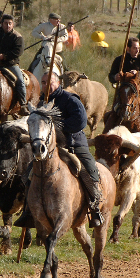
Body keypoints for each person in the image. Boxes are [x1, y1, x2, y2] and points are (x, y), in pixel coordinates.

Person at [41, 71, 105, 227]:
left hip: (73, 143)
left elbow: (81, 120)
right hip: (49, 147)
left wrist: (57, 127)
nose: (46, 86)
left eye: (49, 82)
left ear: (57, 83)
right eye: (43, 83)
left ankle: (94, 206)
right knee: (29, 172)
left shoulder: (69, 99)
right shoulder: (41, 102)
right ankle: (29, 210)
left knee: (88, 169)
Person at [0, 15, 29, 116]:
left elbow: (18, 52)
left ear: (13, 24)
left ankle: (23, 104)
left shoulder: (17, 36)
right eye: (6, 23)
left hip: (11, 64)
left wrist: (5, 56)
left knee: (20, 80)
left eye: (10, 23)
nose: (8, 25)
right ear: (1, 24)